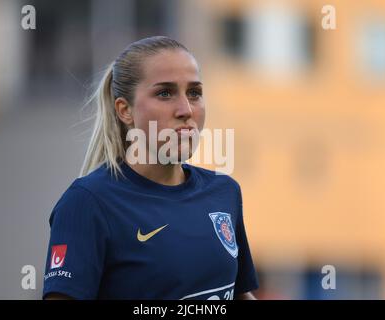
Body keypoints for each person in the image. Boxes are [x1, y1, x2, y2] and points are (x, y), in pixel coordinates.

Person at [43, 36, 259, 300]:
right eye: (164, 93)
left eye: (194, 93)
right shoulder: (88, 203)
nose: (185, 109)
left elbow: (238, 294)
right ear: (125, 110)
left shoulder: (224, 192)